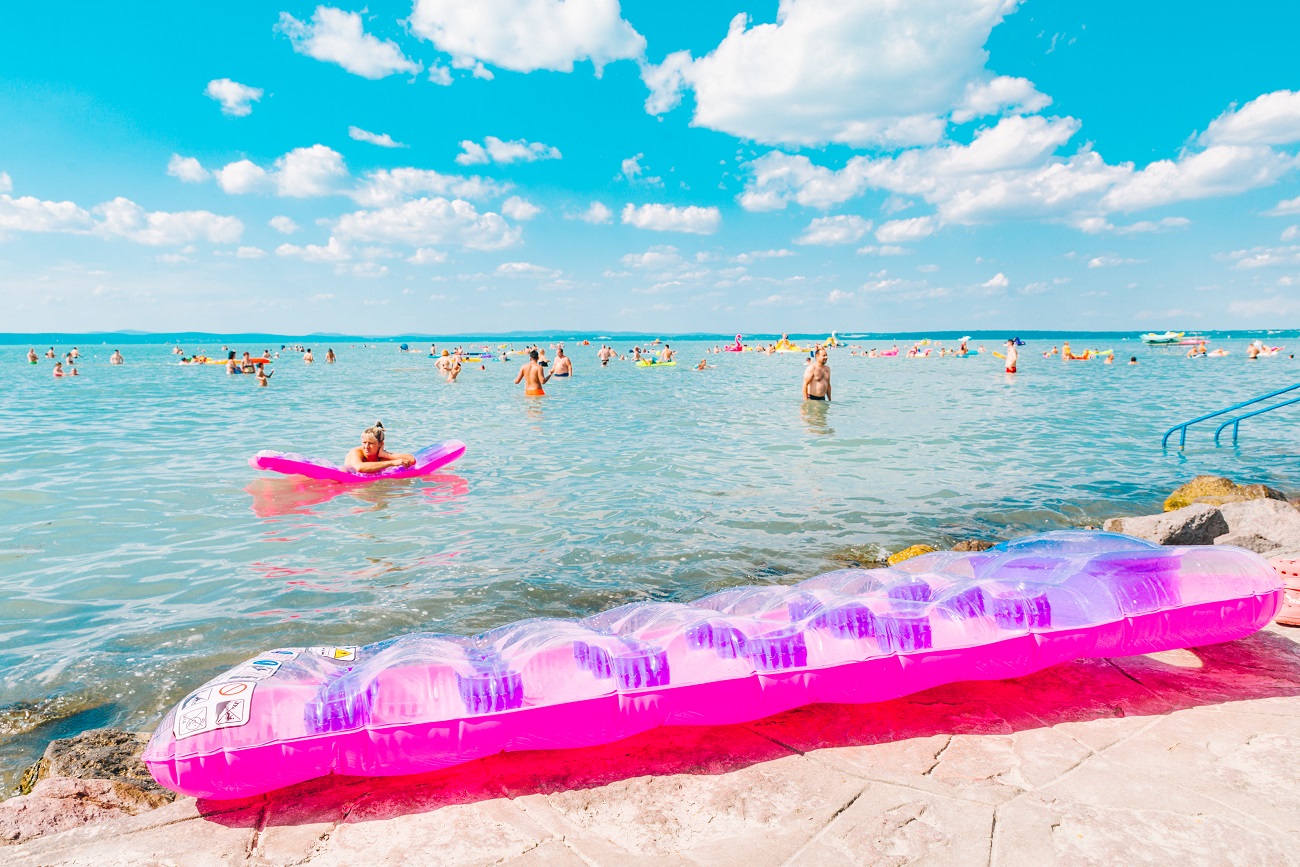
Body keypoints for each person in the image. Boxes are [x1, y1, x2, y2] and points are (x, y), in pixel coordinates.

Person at [344, 422, 416, 473]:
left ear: (380, 444)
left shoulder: (381, 456)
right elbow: (359, 467)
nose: (366, 446)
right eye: (364, 442)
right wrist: (392, 463)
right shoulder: (356, 452)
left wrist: (385, 454)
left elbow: (412, 460)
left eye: (371, 443)